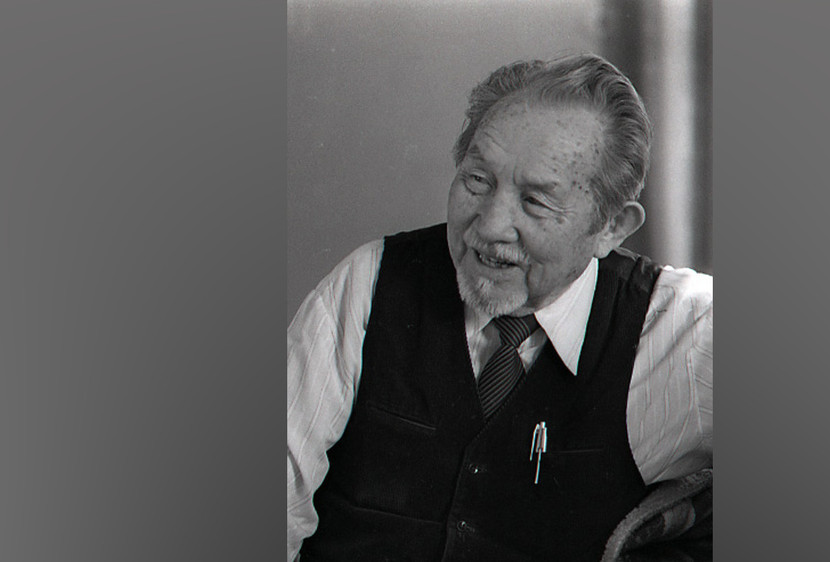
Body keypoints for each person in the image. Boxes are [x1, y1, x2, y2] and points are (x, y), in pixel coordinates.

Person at [287, 53, 712, 562]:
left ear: (612, 227)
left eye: (535, 202)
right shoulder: (368, 284)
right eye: (477, 180)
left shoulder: (677, 329)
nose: (488, 227)